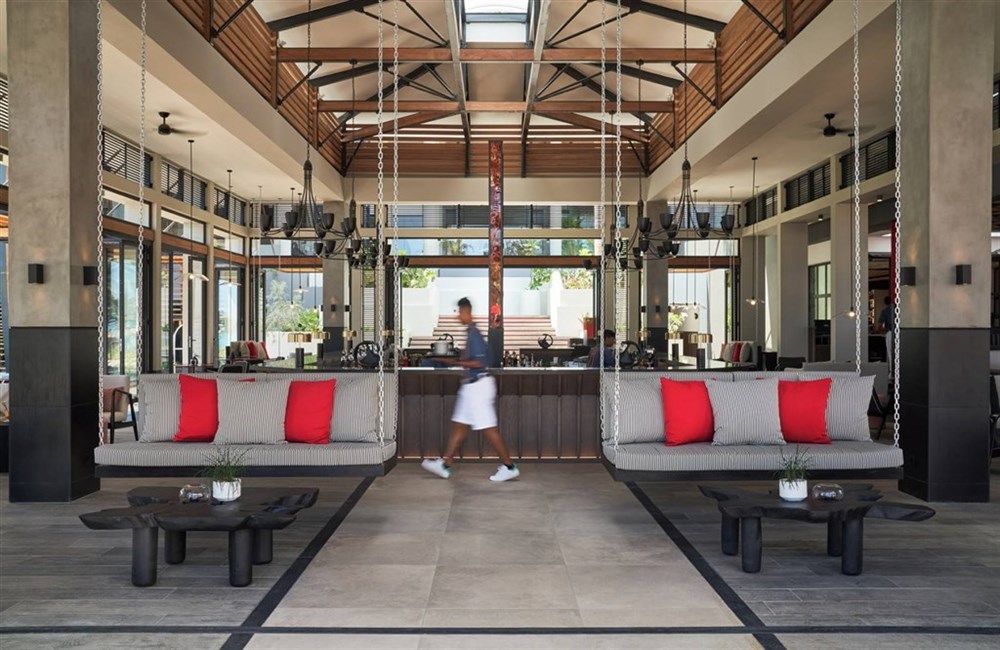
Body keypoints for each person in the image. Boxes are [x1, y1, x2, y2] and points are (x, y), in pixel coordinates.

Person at [421, 298, 519, 482]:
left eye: (460, 312)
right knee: (459, 425)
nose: (458, 316)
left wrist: (455, 361)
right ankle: (445, 465)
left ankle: (509, 467)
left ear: (467, 312)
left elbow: (480, 363)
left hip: (478, 387)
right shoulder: (470, 332)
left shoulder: (474, 334)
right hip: (471, 386)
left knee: (488, 428)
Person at [878, 296, 896, 375]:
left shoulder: (885, 311)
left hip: (890, 332)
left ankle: (892, 372)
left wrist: (883, 329)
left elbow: (880, 326)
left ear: (885, 302)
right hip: (901, 332)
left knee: (890, 353)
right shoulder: (899, 309)